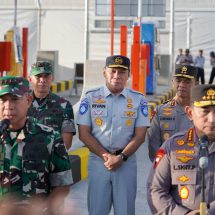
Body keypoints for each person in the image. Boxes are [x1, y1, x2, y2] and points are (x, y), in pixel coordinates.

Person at [76, 55, 150, 215]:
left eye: (122, 72)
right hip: (98, 162)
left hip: (126, 163)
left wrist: (121, 157)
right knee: (97, 211)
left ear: (128, 75)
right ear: (104, 72)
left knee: (125, 211)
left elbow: (140, 136)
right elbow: (83, 133)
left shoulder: (139, 100)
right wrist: (105, 156)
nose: (117, 76)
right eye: (113, 71)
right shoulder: (90, 97)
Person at [0, 76, 73, 213]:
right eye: (3, 100)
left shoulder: (49, 137)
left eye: (15, 99)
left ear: (28, 100)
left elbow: (63, 185)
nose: (8, 106)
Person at [147, 84, 215, 215]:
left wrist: (208, 212)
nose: (212, 119)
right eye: (205, 111)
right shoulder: (172, 146)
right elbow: (155, 189)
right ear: (190, 113)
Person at [147, 65, 197, 162]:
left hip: (197, 170)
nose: (182, 85)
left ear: (196, 83)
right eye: (178, 80)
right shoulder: (160, 111)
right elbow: (154, 147)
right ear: (172, 82)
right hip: (167, 169)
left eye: (187, 81)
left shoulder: (203, 112)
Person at [28, 61, 76, 150]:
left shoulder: (64, 105)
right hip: (23, 159)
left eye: (46, 76)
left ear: (52, 78)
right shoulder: (22, 103)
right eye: (38, 76)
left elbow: (67, 143)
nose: (42, 80)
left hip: (51, 160)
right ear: (30, 79)